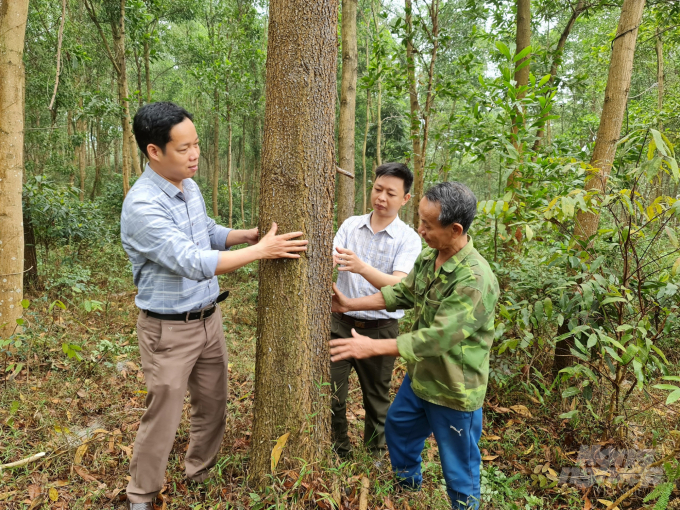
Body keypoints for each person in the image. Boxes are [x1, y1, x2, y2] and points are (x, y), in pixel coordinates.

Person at [120, 102, 308, 510]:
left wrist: (249, 235)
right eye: (184, 148)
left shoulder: (188, 185)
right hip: (168, 330)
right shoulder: (142, 206)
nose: (195, 154)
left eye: (197, 144)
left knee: (213, 402)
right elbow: (191, 260)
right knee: (163, 416)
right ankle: (141, 495)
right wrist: (262, 251)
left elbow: (205, 231)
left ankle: (200, 471)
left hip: (209, 318)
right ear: (154, 151)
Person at [330, 182, 499, 510]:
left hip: (453, 390)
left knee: (459, 469)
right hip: (420, 380)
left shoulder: (474, 280)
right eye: (419, 221)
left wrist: (371, 347)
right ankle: (408, 489)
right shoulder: (430, 258)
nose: (420, 230)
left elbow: (435, 339)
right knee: (399, 428)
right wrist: (349, 305)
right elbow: (401, 293)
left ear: (455, 229)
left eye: (427, 225)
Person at [331, 162, 421, 458]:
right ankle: (338, 450)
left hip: (381, 329)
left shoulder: (409, 239)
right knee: (332, 393)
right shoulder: (350, 225)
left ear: (405, 199)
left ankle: (375, 455)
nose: (381, 197)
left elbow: (399, 285)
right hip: (339, 323)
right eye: (377, 189)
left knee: (377, 399)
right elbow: (330, 259)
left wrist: (362, 267)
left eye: (390, 193)